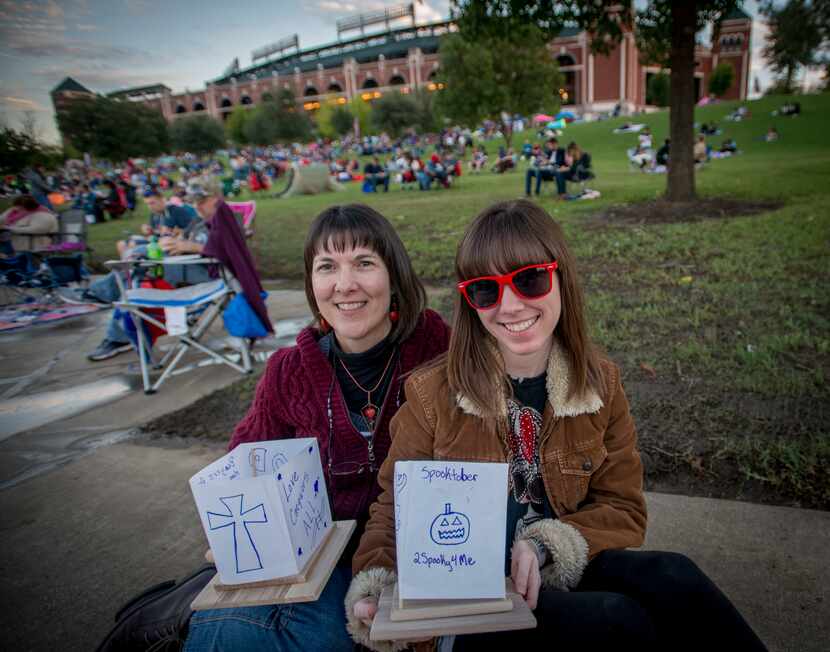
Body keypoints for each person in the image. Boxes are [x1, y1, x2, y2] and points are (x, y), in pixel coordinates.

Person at [345, 200, 768, 652]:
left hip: (556, 566)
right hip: (472, 595)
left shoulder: (598, 383)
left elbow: (622, 508)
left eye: (529, 279)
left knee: (674, 576)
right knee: (617, 622)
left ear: (560, 276)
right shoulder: (432, 394)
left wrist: (546, 546)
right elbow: (394, 511)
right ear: (470, 302)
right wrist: (375, 591)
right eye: (486, 290)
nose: (510, 305)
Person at [183, 204, 450, 652]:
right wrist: (229, 524)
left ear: (394, 275)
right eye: (327, 267)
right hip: (318, 559)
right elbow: (242, 466)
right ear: (312, 283)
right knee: (229, 629)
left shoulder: (439, 351)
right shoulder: (288, 371)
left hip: (417, 548)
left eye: (364, 263)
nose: (345, 285)